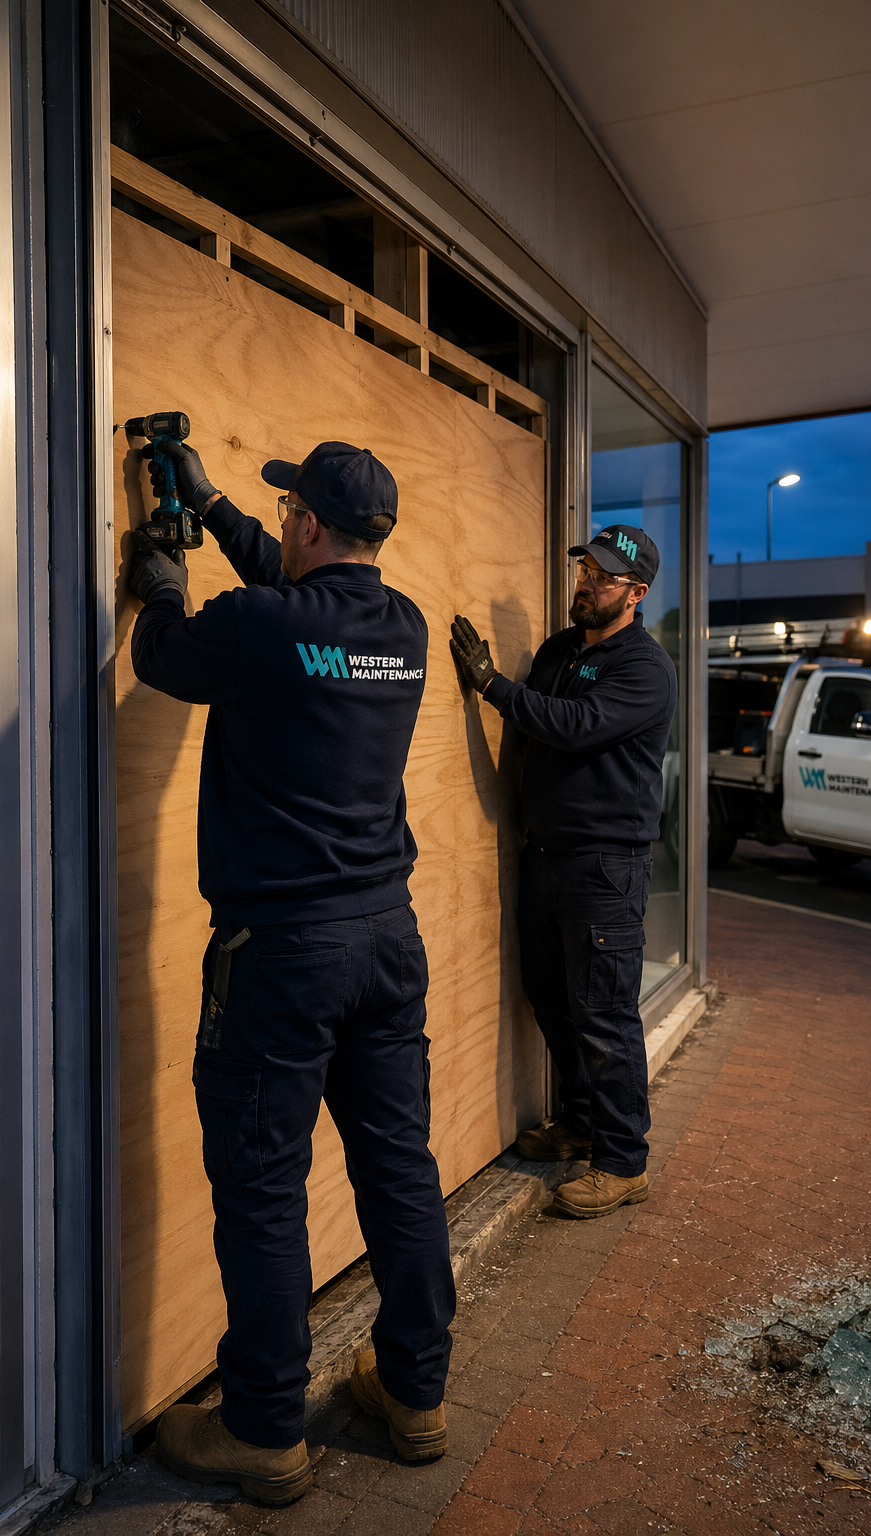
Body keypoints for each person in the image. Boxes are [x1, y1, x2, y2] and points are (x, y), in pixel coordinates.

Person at [129, 437, 454, 1506]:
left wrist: (163, 581)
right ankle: (414, 1396)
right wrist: (217, 507)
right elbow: (291, 606)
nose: (277, 529)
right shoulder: (399, 630)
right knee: (397, 1168)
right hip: (385, 941)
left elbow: (166, 660)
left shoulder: (262, 629)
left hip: (283, 956)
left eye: (283, 515)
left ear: (309, 524)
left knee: (263, 1192)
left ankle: (264, 1428)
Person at [450, 525, 676, 1219]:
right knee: (553, 1001)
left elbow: (572, 725)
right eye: (584, 570)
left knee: (605, 1016)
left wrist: (490, 684)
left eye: (604, 578)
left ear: (635, 594)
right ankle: (580, 1123)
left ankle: (622, 1160)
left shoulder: (644, 668)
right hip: (545, 856)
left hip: (604, 868)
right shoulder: (557, 650)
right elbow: (536, 724)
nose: (586, 583)